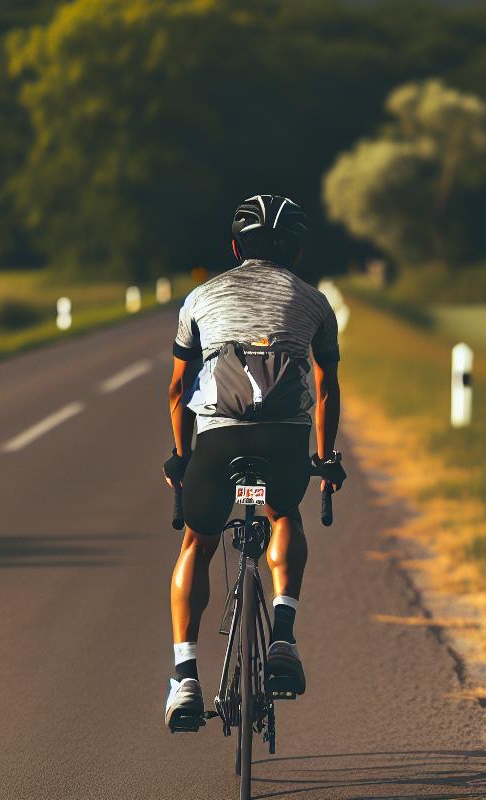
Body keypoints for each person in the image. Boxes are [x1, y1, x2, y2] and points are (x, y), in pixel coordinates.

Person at [160, 194, 343, 732]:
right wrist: (326, 458)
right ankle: (282, 636)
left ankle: (186, 678)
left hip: (218, 443)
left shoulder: (200, 298)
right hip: (284, 443)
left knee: (198, 539)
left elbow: (177, 388)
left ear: (236, 247)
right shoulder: (313, 301)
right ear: (298, 251)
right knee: (284, 514)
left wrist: (182, 456)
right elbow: (328, 385)